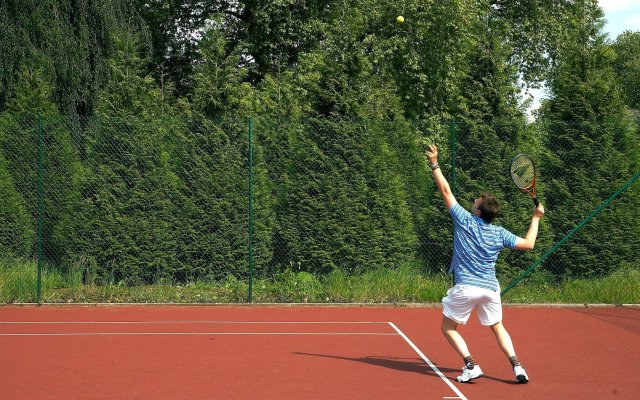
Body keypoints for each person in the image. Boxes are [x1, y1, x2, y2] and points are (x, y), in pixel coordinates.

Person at [425, 144, 545, 384]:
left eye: (476, 201)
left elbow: (446, 192)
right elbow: (529, 243)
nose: (473, 201)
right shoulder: (500, 233)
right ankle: (518, 367)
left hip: (467, 287)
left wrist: (435, 164)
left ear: (478, 211)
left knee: (448, 328)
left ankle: (471, 365)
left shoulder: (465, 221)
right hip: (491, 289)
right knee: (498, 327)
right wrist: (535, 218)